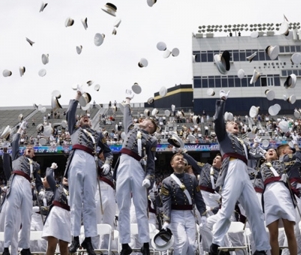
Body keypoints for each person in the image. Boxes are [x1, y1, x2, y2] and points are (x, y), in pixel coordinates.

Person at [210, 91, 270, 255]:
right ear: (226, 127)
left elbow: (252, 155)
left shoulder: (242, 142)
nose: (235, 124)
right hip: (232, 166)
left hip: (243, 170)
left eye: (237, 123)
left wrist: (263, 154)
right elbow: (217, 119)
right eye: (231, 123)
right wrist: (222, 101)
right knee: (228, 207)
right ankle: (215, 243)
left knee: (255, 211)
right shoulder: (223, 136)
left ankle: (262, 248)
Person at [65, 90, 113, 255]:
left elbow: (109, 152)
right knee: (75, 201)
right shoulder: (74, 130)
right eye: (82, 117)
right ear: (79, 122)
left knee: (90, 204)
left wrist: (107, 163)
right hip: (76, 160)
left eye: (88, 117)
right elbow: (70, 113)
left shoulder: (98, 134)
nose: (85, 117)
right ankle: (75, 237)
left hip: (91, 163)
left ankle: (89, 240)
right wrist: (76, 98)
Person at [116, 94, 157, 255]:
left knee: (141, 207)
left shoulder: (151, 139)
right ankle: (125, 243)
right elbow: (127, 118)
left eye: (148, 123)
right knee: (123, 207)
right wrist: (127, 102)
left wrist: (149, 178)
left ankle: (145, 243)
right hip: (123, 163)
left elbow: (152, 162)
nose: (144, 121)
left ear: (150, 128)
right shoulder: (132, 129)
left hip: (137, 166)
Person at [3, 122, 43, 255]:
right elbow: (14, 141)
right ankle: (6, 247)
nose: (29, 149)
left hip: (27, 184)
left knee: (27, 217)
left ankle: (25, 246)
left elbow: (37, 180)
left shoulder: (36, 165)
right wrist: (20, 129)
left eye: (31, 149)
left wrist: (41, 190)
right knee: (10, 215)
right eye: (27, 148)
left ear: (34, 154)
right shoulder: (17, 157)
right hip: (15, 180)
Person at [160, 153, 207, 255]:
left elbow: (199, 198)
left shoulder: (193, 179)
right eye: (177, 159)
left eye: (182, 159)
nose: (181, 160)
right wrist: (166, 220)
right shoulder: (167, 181)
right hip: (175, 215)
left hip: (190, 214)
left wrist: (203, 214)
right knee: (182, 242)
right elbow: (166, 203)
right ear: (172, 164)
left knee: (191, 245)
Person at [260, 148, 297, 255]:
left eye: (273, 150)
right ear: (264, 156)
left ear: (278, 155)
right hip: (269, 196)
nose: (270, 151)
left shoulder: (283, 163)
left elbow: (297, 159)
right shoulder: (260, 167)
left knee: (290, 232)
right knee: (273, 234)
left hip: (283, 193)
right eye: (268, 151)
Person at [42, 163, 70, 255]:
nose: (66, 178)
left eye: (69, 177)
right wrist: (51, 168)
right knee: (52, 245)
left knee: (64, 247)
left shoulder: (75, 191)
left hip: (67, 217)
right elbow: (49, 176)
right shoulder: (57, 187)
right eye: (65, 177)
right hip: (55, 214)